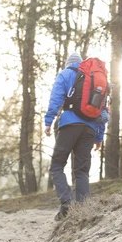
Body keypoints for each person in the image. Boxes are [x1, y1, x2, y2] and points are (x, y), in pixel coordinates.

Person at [44, 52, 109, 221]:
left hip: (69, 125)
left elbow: (56, 98)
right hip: (89, 128)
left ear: (67, 64)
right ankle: (83, 208)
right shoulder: (94, 80)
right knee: (82, 171)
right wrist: (99, 136)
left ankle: (66, 202)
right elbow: (103, 110)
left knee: (57, 165)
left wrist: (49, 121)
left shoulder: (65, 74)